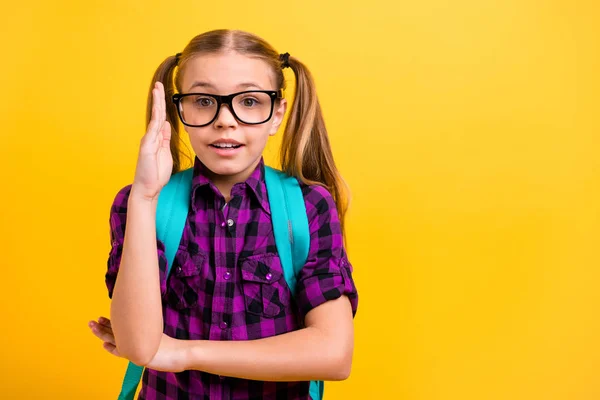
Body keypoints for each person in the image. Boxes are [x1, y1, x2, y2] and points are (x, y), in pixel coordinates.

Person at [88, 29, 359, 399]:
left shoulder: (310, 207)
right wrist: (144, 197)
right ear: (179, 109)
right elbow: (139, 346)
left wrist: (185, 352)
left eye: (248, 101)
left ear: (276, 114)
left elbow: (333, 354)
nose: (225, 120)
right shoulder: (141, 204)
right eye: (203, 100)